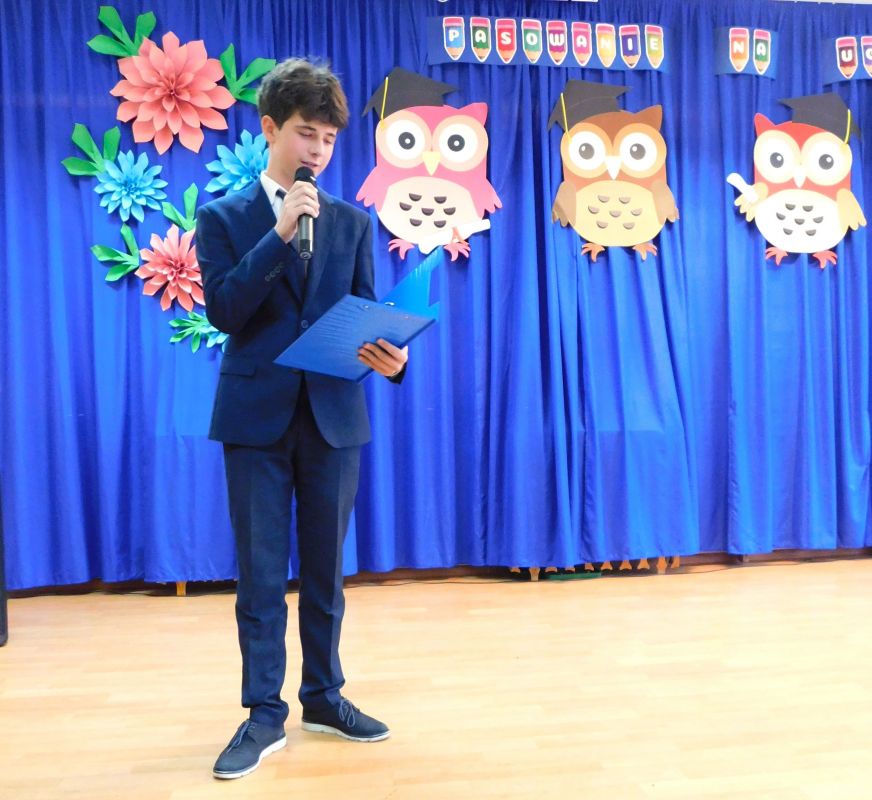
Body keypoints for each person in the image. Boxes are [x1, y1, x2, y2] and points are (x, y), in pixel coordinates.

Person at [196, 57, 408, 780]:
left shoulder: (353, 222)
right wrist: (279, 233)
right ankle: (263, 712)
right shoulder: (223, 218)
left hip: (333, 418)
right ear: (269, 129)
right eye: (304, 133)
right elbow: (224, 311)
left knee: (325, 571)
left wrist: (392, 359)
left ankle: (324, 696)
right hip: (254, 418)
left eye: (327, 138)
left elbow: (363, 316)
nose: (317, 149)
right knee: (260, 575)